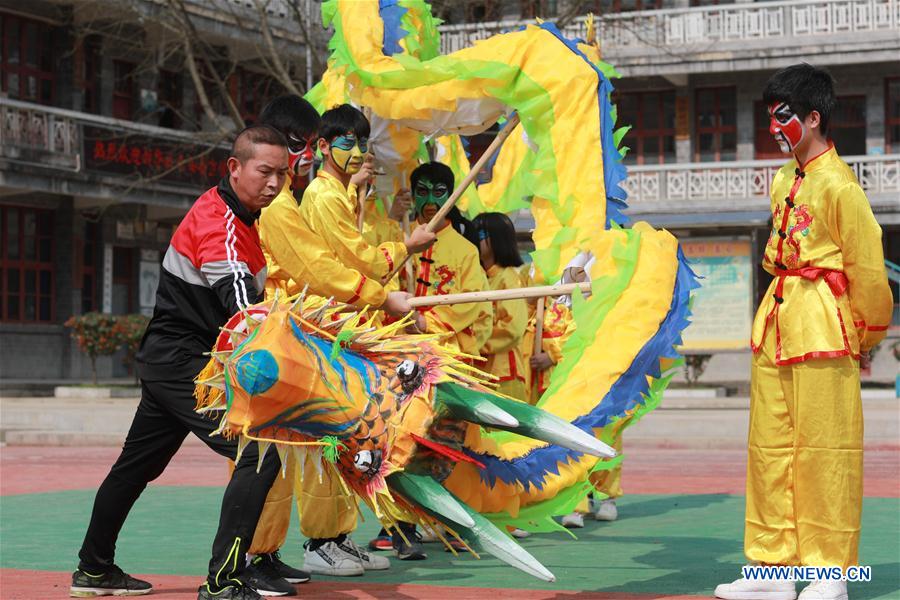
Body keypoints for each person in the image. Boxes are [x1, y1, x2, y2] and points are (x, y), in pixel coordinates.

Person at [70, 125, 293, 600]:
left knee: (134, 468)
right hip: (185, 364)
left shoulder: (245, 219)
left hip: (174, 360)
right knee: (260, 451)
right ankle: (224, 580)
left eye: (283, 174)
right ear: (235, 168)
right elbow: (242, 309)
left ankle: (92, 570)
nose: (275, 183)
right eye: (265, 171)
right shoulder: (222, 224)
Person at [715, 64, 892, 600]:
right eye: (770, 116)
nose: (774, 127)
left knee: (824, 451)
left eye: (784, 116)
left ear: (814, 118)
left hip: (823, 326)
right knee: (769, 449)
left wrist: (862, 335)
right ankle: (771, 572)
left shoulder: (841, 186)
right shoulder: (781, 180)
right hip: (777, 323)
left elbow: (868, 270)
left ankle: (829, 574)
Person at [368, 161, 493, 559]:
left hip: (442, 361)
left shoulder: (465, 251)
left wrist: (427, 321)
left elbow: (472, 305)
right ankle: (398, 527)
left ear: (453, 196)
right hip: (397, 362)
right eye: (422, 189)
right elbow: (376, 285)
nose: (430, 200)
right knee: (392, 442)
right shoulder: (398, 241)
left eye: (440, 191)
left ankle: (449, 522)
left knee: (444, 445)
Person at [472, 212, 528, 401]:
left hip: (503, 376)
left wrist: (475, 343)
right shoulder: (477, 277)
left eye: (479, 235)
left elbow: (513, 329)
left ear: (497, 239)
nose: (473, 240)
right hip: (478, 375)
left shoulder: (509, 278)